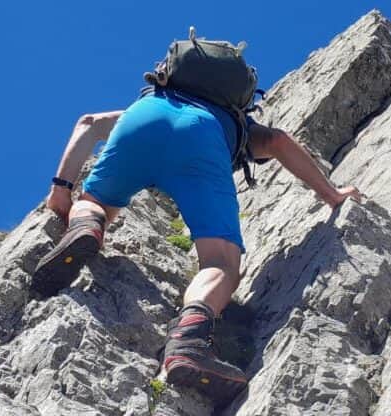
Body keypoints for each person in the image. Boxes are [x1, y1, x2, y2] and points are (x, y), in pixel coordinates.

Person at [31, 59, 361, 399]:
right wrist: (332, 195)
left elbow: (89, 122)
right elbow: (278, 141)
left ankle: (86, 225)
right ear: (237, 97)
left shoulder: (156, 98)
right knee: (220, 263)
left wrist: (61, 187)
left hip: (142, 120)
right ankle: (188, 342)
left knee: (97, 201)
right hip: (202, 137)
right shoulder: (237, 124)